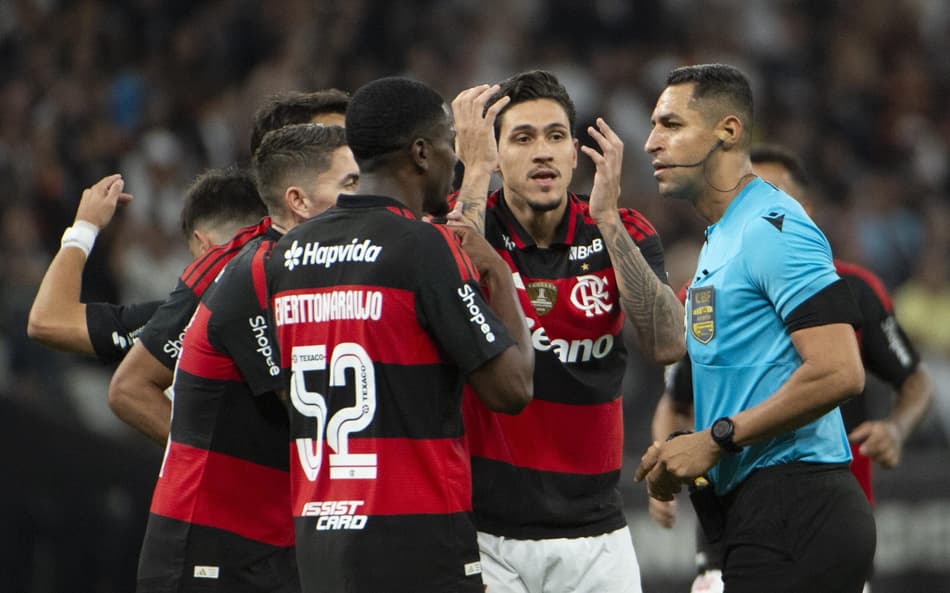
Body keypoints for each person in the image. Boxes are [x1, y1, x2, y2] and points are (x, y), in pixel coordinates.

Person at [266, 76, 534, 593]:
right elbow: (512, 388)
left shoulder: (289, 254)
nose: (455, 162)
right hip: (415, 546)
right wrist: (497, 274)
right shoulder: (422, 247)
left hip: (319, 546)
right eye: (450, 146)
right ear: (420, 152)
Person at [648, 144, 934, 593]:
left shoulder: (853, 291)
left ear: (804, 209)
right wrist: (668, 456)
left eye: (771, 194)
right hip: (731, 522)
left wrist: (896, 429)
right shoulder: (708, 287)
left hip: (821, 514)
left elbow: (913, 380)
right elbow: (676, 400)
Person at [635, 64, 875, 593]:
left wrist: (717, 439)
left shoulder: (774, 227)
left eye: (671, 125)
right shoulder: (721, 239)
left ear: (728, 130)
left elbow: (840, 371)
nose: (651, 142)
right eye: (654, 125)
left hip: (800, 508)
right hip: (759, 511)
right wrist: (687, 451)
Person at [449, 70, 684, 593]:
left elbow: (668, 342)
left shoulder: (621, 229)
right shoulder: (464, 227)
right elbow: (446, 289)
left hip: (598, 532)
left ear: (575, 153)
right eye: (523, 138)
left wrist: (607, 220)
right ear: (496, 152)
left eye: (556, 137)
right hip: (485, 533)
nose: (543, 153)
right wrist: (473, 172)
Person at [135, 123, 358, 593]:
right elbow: (306, 409)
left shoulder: (307, 274)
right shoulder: (254, 273)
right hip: (209, 549)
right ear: (298, 201)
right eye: (349, 185)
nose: (362, 199)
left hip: (270, 541)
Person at [108, 89, 350, 443]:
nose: (352, 163)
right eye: (332, 145)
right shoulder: (237, 266)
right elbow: (129, 387)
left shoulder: (353, 255)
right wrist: (226, 468)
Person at [26, 172, 265, 364]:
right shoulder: (295, 301)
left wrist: (85, 227)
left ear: (204, 245)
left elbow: (48, 321)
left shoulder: (184, 323)